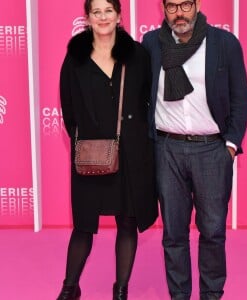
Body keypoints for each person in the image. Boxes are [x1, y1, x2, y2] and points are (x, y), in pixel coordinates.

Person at [142, 0, 247, 299]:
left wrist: (228, 145)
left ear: (197, 4)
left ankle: (211, 294)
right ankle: (179, 296)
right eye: (172, 5)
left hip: (212, 151)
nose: (180, 12)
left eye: (186, 4)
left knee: (213, 232)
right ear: (163, 10)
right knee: (173, 234)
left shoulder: (224, 43)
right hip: (167, 150)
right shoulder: (151, 43)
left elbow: (241, 98)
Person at [57, 0, 158, 299]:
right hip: (91, 154)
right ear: (87, 17)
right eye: (96, 11)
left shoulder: (138, 55)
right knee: (84, 225)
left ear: (119, 15)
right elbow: (68, 109)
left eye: (108, 11)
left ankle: (121, 289)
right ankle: (69, 287)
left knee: (127, 221)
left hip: (132, 155)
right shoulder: (75, 58)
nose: (103, 17)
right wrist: (83, 141)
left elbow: (148, 100)